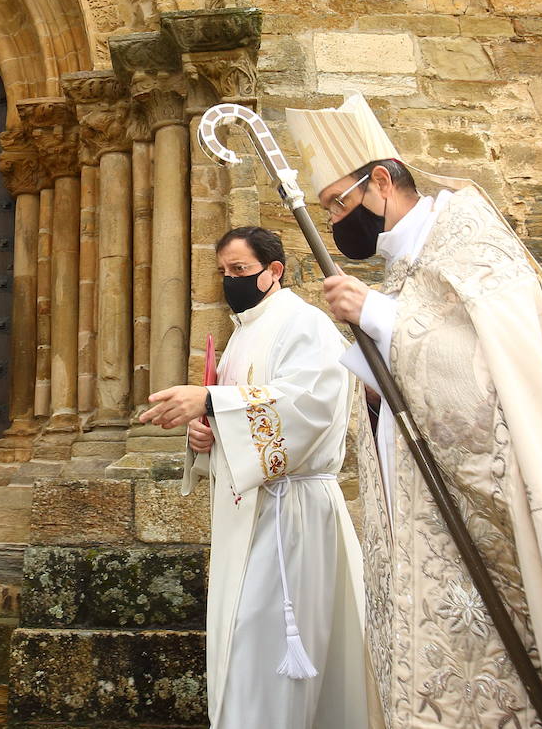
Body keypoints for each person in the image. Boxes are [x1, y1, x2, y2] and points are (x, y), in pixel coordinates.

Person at [285, 92, 542, 729]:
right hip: (426, 528)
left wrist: (377, 318)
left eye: (339, 203)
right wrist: (374, 361)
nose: (338, 220)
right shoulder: (405, 268)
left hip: (498, 530)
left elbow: (489, 382)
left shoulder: (473, 245)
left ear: (382, 181)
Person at [139, 226, 370, 729]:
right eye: (223, 271)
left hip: (292, 514)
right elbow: (238, 419)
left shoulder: (303, 324)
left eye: (239, 270)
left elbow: (309, 407)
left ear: (274, 271)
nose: (230, 280)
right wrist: (206, 436)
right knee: (242, 640)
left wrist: (209, 402)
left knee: (264, 642)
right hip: (249, 512)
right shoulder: (244, 332)